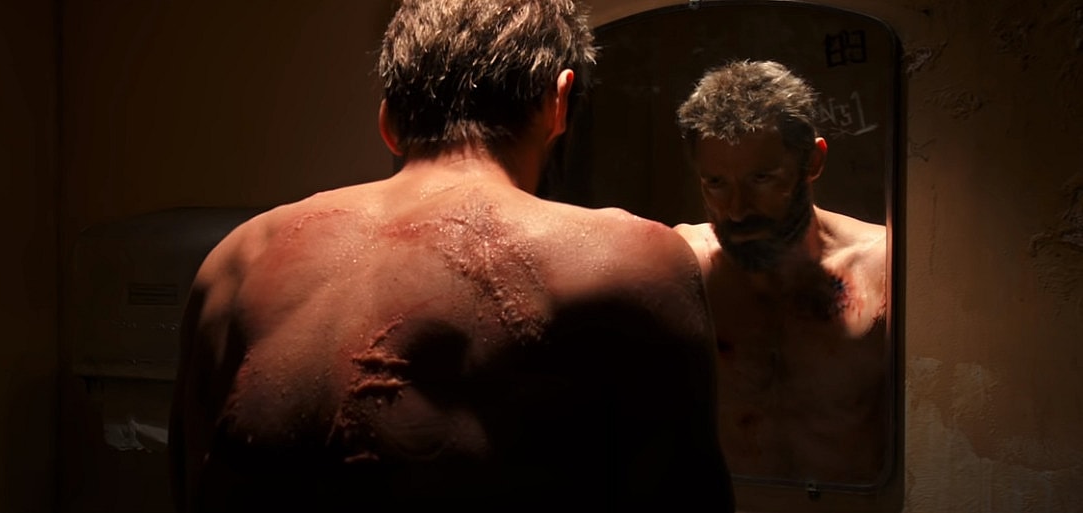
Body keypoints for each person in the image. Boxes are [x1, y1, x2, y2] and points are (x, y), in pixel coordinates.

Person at [169, 1, 734, 511]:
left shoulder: (238, 258)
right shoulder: (627, 259)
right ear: (558, 102)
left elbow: (191, 486)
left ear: (389, 121)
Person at [674, 60, 889, 483]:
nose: (737, 209)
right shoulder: (685, 262)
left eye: (761, 178)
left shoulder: (883, 265)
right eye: (716, 182)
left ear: (813, 161)